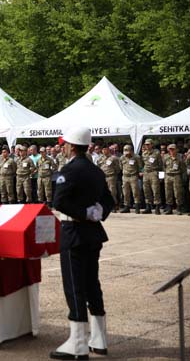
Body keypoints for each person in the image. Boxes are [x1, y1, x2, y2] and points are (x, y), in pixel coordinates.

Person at [50, 127, 114, 360]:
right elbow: (109, 199)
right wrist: (99, 211)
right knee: (91, 284)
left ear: (72, 146)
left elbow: (59, 201)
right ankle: (99, 340)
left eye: (65, 144)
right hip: (93, 234)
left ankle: (77, 343)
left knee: (74, 286)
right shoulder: (96, 171)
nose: (63, 147)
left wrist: (83, 213)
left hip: (74, 231)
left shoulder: (70, 169)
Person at [141, 139, 163, 214]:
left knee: (156, 190)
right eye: (146, 144)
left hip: (154, 173)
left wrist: (161, 177)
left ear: (152, 145)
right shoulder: (144, 153)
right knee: (146, 191)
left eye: (148, 144)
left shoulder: (156, 153)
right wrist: (142, 171)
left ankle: (157, 207)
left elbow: (161, 165)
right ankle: (148, 207)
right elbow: (143, 164)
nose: (147, 146)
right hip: (146, 173)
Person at [163, 144, 186, 215]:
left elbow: (183, 168)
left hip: (176, 176)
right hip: (168, 176)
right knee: (168, 192)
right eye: (170, 149)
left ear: (176, 149)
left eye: (173, 149)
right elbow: (163, 166)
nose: (171, 150)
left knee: (178, 192)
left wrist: (182, 177)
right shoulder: (166, 157)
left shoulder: (180, 157)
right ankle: (169, 208)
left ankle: (179, 208)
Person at [120, 144, 142, 214]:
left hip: (133, 176)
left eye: (127, 150)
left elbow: (140, 166)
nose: (126, 152)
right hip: (125, 176)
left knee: (135, 192)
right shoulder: (122, 158)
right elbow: (120, 167)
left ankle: (137, 206)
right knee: (125, 193)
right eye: (125, 150)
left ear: (131, 150)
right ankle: (126, 206)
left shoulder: (136, 157)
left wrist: (139, 173)